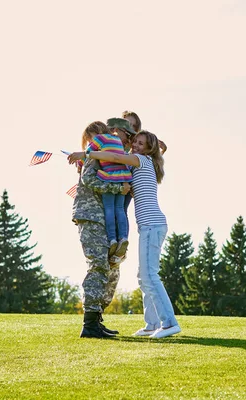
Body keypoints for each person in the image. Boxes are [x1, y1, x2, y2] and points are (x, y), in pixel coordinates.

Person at [68, 130, 180, 339]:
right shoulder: (143, 163)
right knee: (143, 275)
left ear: (147, 149)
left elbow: (115, 157)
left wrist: (87, 154)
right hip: (150, 226)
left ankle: (169, 323)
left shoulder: (140, 159)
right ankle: (151, 323)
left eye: (140, 143)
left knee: (150, 275)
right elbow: (121, 164)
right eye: (134, 142)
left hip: (152, 225)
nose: (135, 146)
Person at [72, 156, 130, 338]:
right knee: (97, 266)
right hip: (91, 217)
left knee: (110, 269)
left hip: (103, 220)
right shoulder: (94, 156)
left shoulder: (105, 157)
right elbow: (88, 179)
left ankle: (96, 320)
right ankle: (89, 324)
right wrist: (118, 188)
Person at [80, 121, 136, 259]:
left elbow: (88, 152)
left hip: (109, 177)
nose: (90, 141)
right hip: (122, 178)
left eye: (89, 138)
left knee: (109, 209)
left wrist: (79, 161)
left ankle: (112, 240)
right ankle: (123, 237)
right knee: (120, 210)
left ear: (96, 132)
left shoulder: (99, 139)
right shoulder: (117, 139)